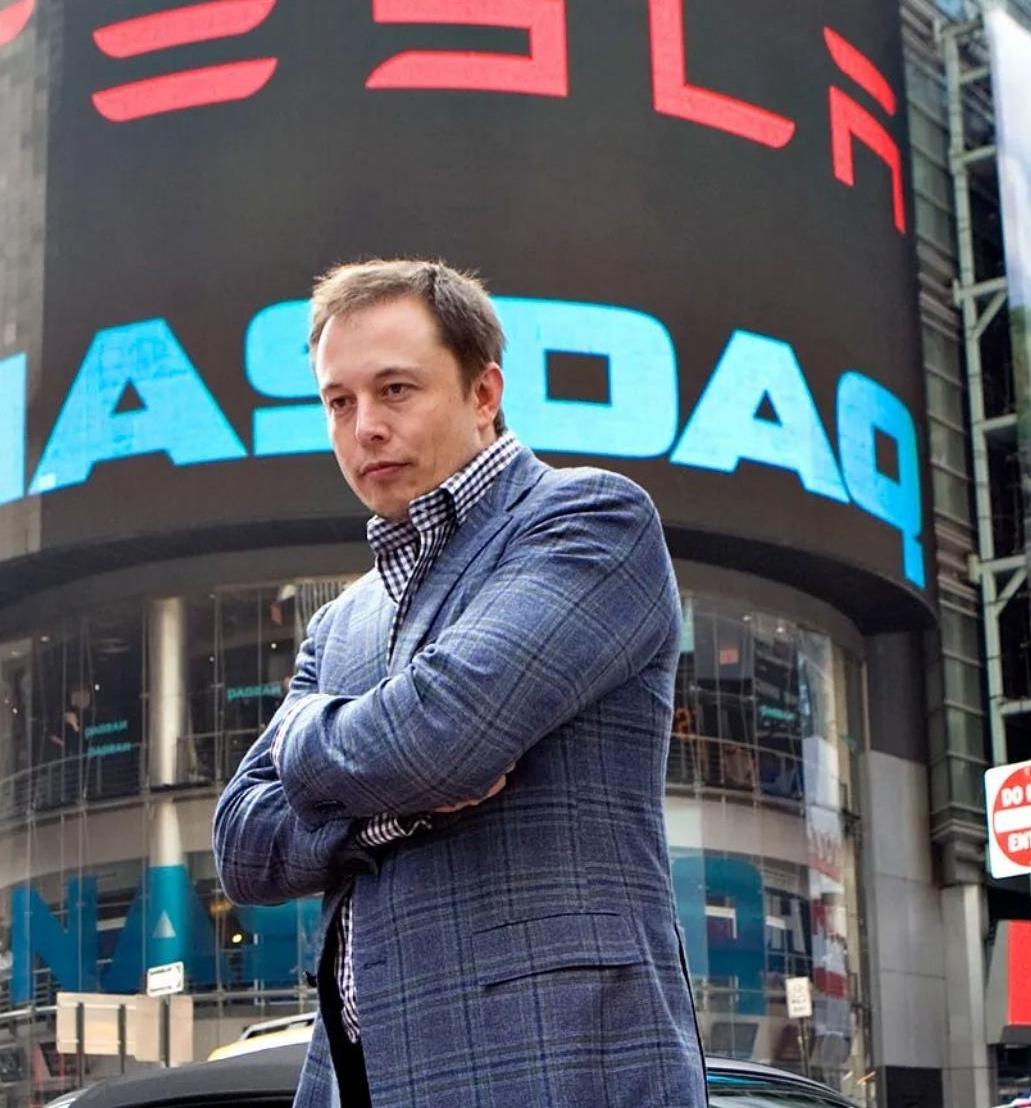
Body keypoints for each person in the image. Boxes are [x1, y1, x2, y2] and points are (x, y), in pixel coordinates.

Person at [212, 259, 708, 1108]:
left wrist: (306, 738)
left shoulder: (590, 521)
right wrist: (380, 815)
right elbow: (243, 844)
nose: (364, 426)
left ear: (484, 393)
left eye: (396, 389)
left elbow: (440, 736)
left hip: (556, 1065)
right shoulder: (341, 622)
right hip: (358, 1080)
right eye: (339, 402)